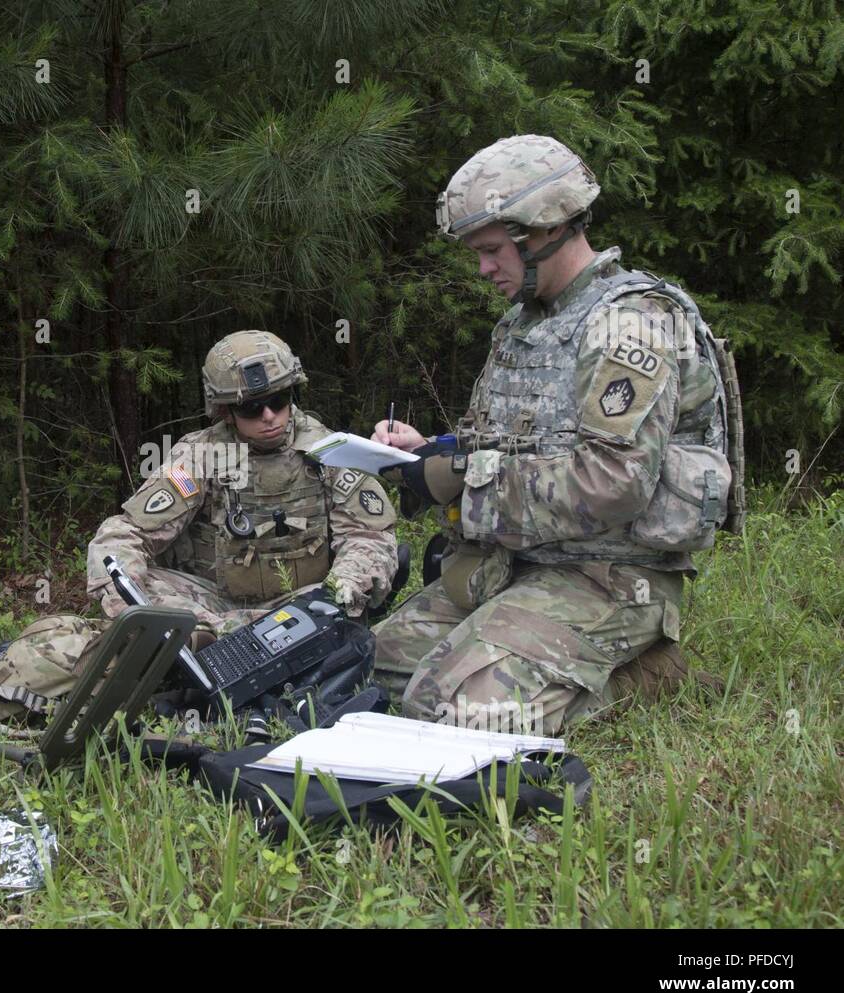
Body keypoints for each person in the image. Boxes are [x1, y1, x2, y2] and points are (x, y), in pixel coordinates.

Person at [371, 134, 741, 736]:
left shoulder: (629, 323)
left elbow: (612, 482)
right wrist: (433, 451)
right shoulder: (524, 323)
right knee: (369, 669)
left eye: (492, 250)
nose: (484, 268)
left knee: (458, 715)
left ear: (543, 230)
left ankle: (644, 675)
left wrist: (459, 483)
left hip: (608, 577)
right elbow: (514, 441)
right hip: (517, 564)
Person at [86, 330, 398, 643]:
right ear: (226, 411)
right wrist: (122, 587)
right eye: (252, 408)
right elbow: (126, 534)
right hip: (216, 608)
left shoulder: (328, 450)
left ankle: (218, 642)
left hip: (307, 604)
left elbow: (369, 536)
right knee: (132, 584)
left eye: (279, 401)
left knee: (354, 579)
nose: (269, 416)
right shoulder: (202, 455)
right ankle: (212, 638)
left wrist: (340, 590)